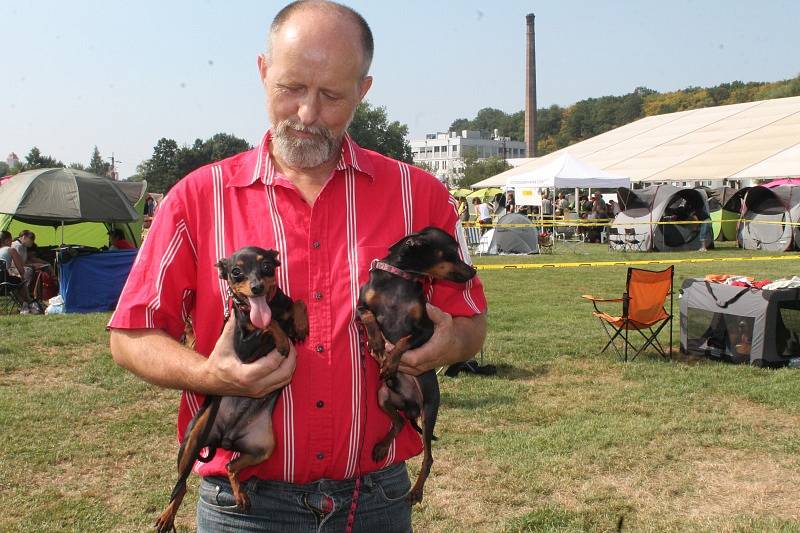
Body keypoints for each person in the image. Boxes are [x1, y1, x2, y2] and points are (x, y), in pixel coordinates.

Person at [108, 2, 487, 532]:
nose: (307, 114)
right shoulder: (196, 197)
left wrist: (451, 344)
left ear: (363, 89)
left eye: (331, 95)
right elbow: (130, 337)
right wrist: (208, 375)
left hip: (374, 501)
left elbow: (471, 323)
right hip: (243, 505)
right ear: (263, 71)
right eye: (290, 88)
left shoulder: (419, 196)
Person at [0, 230, 34, 312]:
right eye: (11, 240)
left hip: (3, 281)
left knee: (14, 282)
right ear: (7, 240)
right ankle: (28, 303)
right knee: (19, 281)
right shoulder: (11, 250)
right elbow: (21, 269)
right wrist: (22, 277)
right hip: (3, 281)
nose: (12, 242)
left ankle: (24, 305)